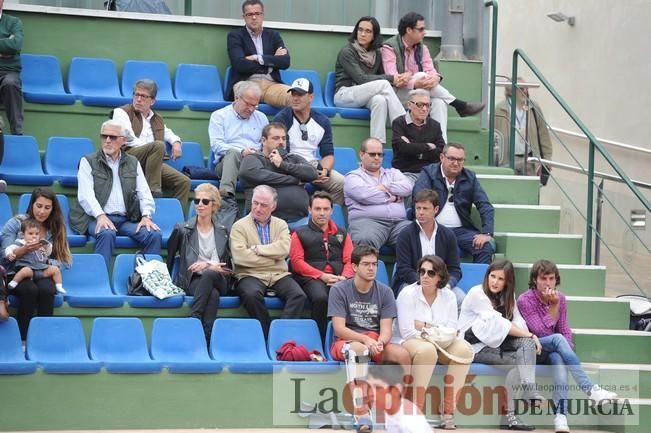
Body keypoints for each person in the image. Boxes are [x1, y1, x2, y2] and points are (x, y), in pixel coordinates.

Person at [517, 259, 618, 433]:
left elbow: (565, 329)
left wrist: (567, 347)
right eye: (543, 279)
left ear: (556, 279)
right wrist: (554, 305)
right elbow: (541, 332)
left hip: (554, 350)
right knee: (556, 339)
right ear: (535, 280)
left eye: (551, 278)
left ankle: (560, 416)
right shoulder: (525, 300)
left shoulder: (561, 298)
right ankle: (591, 390)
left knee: (559, 358)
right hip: (534, 349)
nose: (548, 283)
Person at [328, 245, 411, 432]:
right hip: (347, 342)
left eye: (374, 264)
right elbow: (339, 329)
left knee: (402, 354)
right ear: (355, 267)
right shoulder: (339, 290)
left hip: (375, 341)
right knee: (359, 350)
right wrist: (365, 341)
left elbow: (386, 329)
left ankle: (398, 411)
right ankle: (361, 411)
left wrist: (380, 342)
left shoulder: (385, 292)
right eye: (366, 264)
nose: (371, 268)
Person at [458, 259, 543, 431]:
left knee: (525, 347)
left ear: (508, 282)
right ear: (487, 276)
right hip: (474, 346)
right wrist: (531, 335)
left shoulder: (508, 296)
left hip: (496, 343)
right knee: (525, 351)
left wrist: (528, 336)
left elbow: (518, 320)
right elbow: (499, 323)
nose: (495, 282)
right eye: (492, 276)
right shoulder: (477, 293)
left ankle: (521, 399)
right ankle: (514, 411)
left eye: (500, 279)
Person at [392, 256, 473, 428]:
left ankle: (448, 411)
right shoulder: (407, 294)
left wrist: (426, 326)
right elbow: (407, 330)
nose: (425, 276)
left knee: (464, 350)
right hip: (409, 341)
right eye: (422, 271)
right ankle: (415, 412)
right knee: (427, 350)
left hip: (438, 341)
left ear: (440, 277)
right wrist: (434, 331)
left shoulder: (449, 296)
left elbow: (451, 329)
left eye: (430, 272)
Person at [70, 120, 162, 269]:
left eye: (112, 137)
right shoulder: (88, 161)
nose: (107, 140)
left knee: (154, 234)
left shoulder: (133, 162)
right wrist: (100, 216)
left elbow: (144, 193)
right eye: (104, 136)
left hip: (125, 219)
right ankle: (100, 278)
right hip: (94, 217)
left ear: (123, 141)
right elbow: (85, 195)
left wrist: (146, 216)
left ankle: (149, 279)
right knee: (106, 233)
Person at [381, 12, 485, 142]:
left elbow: (431, 70)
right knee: (420, 75)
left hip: (421, 93)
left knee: (439, 102)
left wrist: (435, 78)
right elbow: (394, 78)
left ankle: (441, 145)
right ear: (408, 30)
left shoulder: (422, 48)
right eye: (421, 29)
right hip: (397, 95)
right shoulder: (389, 47)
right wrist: (415, 82)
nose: (424, 32)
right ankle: (458, 104)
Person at [229, 185, 306, 337]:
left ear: (273, 206)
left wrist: (257, 249)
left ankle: (281, 335)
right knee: (251, 295)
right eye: (255, 203)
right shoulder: (239, 226)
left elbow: (284, 249)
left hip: (279, 274)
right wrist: (274, 258)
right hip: (249, 274)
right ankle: (267, 334)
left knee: (299, 295)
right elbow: (240, 258)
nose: (258, 208)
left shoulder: (281, 224)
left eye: (263, 205)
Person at [0, 187, 72, 340]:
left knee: (47, 289)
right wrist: (23, 251)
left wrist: (43, 261)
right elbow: (4, 256)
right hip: (16, 273)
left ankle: (43, 339)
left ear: (52, 209)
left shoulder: (56, 228)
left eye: (47, 207)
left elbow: (63, 260)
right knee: (30, 290)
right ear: (32, 204)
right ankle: (22, 339)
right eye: (39, 206)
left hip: (42, 271)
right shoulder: (16, 223)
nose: (42, 212)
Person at [167, 183, 232, 342]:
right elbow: (169, 256)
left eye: (205, 201)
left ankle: (194, 316)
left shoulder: (223, 231)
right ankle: (206, 338)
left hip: (220, 279)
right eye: (196, 201)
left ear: (214, 205)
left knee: (210, 273)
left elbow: (229, 267)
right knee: (213, 296)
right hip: (193, 279)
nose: (200, 205)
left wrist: (208, 265)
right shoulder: (182, 229)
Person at [110, 79, 191, 207]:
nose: (138, 99)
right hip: (128, 157)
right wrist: (152, 149)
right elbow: (128, 138)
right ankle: (154, 191)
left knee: (184, 182)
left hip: (151, 162)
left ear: (152, 101)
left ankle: (177, 219)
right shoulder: (121, 112)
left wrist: (176, 142)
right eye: (136, 95)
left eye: (143, 96)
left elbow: (167, 132)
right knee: (158, 146)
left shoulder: (156, 118)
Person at [413, 142, 495, 264]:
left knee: (485, 247)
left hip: (461, 231)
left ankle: (480, 283)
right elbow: (419, 198)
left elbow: (485, 205)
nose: (456, 163)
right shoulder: (429, 173)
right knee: (444, 249)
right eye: (451, 158)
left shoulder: (469, 177)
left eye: (460, 160)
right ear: (442, 157)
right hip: (434, 228)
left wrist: (487, 233)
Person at [333, 16, 407, 144]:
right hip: (344, 95)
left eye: (368, 31)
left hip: (365, 96)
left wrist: (400, 79)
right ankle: (404, 126)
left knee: (380, 100)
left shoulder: (377, 54)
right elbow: (361, 79)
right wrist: (391, 78)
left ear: (374, 35)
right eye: (360, 30)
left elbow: (379, 77)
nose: (362, 34)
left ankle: (377, 145)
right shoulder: (347, 52)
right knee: (384, 84)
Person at [289, 191, 354, 338]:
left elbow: (350, 260)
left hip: (339, 278)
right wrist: (321, 276)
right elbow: (297, 262)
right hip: (310, 278)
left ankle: (344, 339)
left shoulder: (342, 233)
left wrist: (344, 277)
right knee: (320, 298)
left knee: (348, 295)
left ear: (332, 210)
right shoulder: (298, 233)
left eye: (326, 209)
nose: (322, 213)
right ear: (309, 210)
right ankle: (318, 337)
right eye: (317, 209)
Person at [274, 77, 345, 204]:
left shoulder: (322, 121)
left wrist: (324, 171)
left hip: (312, 165)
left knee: (341, 184)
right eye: (293, 94)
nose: (295, 98)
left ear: (311, 97)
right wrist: (307, 172)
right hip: (289, 165)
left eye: (300, 94)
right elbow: (280, 152)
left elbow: (328, 154)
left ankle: (325, 218)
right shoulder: (282, 118)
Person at [393, 189, 465, 308]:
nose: (420, 212)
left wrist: (446, 285)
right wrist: (425, 283)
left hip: (440, 285)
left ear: (436, 210)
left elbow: (455, 269)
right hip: (412, 284)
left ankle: (450, 327)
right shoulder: (405, 234)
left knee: (462, 301)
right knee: (406, 298)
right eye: (418, 208)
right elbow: (403, 269)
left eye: (425, 208)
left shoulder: (448, 235)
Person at [239, 122, 318, 222]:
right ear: (264, 140)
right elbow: (257, 175)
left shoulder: (292, 158)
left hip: (299, 219)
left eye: (283, 138)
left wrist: (282, 165)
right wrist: (294, 180)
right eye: (276, 138)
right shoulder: (253, 158)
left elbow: (312, 173)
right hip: (265, 222)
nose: (281, 142)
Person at [344, 137, 412, 250]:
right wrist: (394, 197)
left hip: (399, 223)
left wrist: (385, 187)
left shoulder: (393, 173)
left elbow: (408, 188)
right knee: (365, 238)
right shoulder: (353, 177)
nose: (377, 158)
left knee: (417, 235)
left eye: (380, 154)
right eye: (372, 154)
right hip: (368, 222)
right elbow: (364, 195)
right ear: (361, 155)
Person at [209, 80, 268, 204]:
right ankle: (226, 198)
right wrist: (241, 152)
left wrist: (254, 154)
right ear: (237, 98)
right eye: (248, 104)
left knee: (256, 163)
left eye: (255, 105)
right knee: (233, 153)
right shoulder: (219, 116)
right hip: (226, 164)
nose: (251, 109)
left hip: (253, 162)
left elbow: (266, 144)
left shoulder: (262, 118)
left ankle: (255, 208)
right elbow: (216, 145)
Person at [225, 0, 291, 107]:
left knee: (296, 97)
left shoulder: (273, 36)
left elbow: (285, 62)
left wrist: (257, 58)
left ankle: (281, 124)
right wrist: (270, 63)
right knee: (246, 102)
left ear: (263, 15)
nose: (254, 17)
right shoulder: (235, 36)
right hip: (246, 83)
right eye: (250, 14)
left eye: (257, 14)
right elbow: (239, 64)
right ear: (244, 16)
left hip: (271, 86)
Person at [494, 77, 553, 177]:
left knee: (530, 191)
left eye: (526, 88)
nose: (526, 91)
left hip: (530, 160)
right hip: (508, 160)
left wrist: (546, 160)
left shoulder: (533, 107)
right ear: (511, 91)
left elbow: (543, 135)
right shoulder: (499, 109)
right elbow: (494, 136)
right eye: (522, 88)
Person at [391, 89, 446, 185]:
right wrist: (429, 146)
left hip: (430, 173)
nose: (424, 109)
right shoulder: (399, 123)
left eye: (427, 105)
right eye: (420, 105)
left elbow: (441, 152)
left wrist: (414, 149)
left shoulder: (435, 125)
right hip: (406, 172)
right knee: (406, 188)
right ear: (409, 105)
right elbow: (403, 149)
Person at [365, 361, 433, 433]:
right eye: (369, 387)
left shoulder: (409, 425)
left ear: (395, 390)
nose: (370, 393)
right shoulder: (391, 407)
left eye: (377, 387)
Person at [6, 218, 65, 295]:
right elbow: (9, 248)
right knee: (25, 271)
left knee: (55, 269)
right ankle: (14, 282)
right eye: (30, 234)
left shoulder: (40, 243)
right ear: (23, 235)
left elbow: (47, 254)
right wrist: (9, 254)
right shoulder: (21, 243)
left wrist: (47, 247)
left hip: (41, 269)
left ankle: (59, 286)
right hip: (28, 269)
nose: (34, 236)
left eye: (36, 234)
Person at [0, 0, 24, 135]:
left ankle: (17, 132)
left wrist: (11, 44)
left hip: (8, 72)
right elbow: (9, 45)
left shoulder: (14, 22)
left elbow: (15, 45)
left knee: (11, 83)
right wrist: (5, 44)